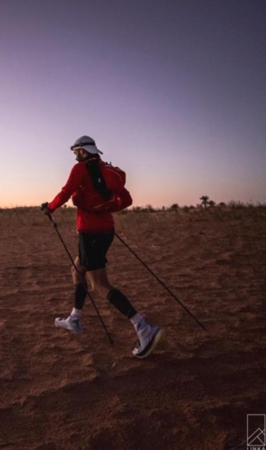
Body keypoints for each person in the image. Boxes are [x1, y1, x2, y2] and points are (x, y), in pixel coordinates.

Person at [41, 135, 164, 358]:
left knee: (99, 285)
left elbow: (66, 192)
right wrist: (103, 209)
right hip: (106, 231)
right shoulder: (111, 171)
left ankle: (144, 328)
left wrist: (49, 208)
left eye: (76, 152)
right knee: (77, 270)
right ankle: (75, 319)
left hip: (90, 234)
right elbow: (126, 200)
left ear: (83, 151)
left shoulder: (79, 169)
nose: (75, 156)